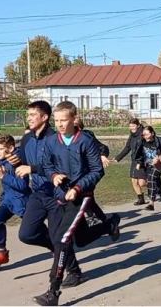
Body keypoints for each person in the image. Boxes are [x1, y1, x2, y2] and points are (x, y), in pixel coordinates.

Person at [32, 101, 105, 306]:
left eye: (64, 120)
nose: (60, 124)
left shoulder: (86, 141)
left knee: (61, 240)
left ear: (74, 118)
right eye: (57, 121)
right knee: (79, 239)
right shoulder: (52, 141)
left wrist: (77, 188)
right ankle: (108, 225)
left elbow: (97, 171)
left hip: (82, 195)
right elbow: (46, 165)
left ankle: (53, 292)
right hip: (60, 196)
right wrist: (53, 175)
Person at [11, 101, 85, 295]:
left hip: (57, 196)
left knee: (59, 237)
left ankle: (74, 272)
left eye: (32, 115)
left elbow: (61, 166)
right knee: (26, 234)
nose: (28, 118)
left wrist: (33, 168)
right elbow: (24, 164)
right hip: (38, 193)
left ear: (44, 117)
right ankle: (56, 249)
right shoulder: (27, 139)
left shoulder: (56, 138)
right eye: (28, 115)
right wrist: (14, 163)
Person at [0, 135, 30, 272]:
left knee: (35, 231)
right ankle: (2, 253)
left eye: (0, 149)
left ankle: (57, 248)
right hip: (8, 201)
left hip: (22, 202)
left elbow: (23, 186)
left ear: (10, 148)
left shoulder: (17, 162)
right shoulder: (3, 161)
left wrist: (3, 176)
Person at [137, 125, 161, 211]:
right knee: (156, 181)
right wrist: (139, 162)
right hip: (147, 165)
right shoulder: (142, 142)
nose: (145, 137)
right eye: (143, 135)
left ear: (152, 133)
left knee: (151, 178)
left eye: (147, 134)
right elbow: (139, 153)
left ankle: (151, 203)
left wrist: (160, 158)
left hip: (159, 164)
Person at [115, 119, 148, 206]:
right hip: (134, 160)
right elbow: (127, 148)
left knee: (142, 183)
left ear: (138, 125)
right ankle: (141, 199)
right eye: (130, 126)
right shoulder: (132, 135)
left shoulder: (143, 134)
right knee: (134, 181)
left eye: (133, 126)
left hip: (142, 161)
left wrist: (140, 161)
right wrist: (118, 158)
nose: (131, 128)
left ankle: (154, 185)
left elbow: (145, 149)